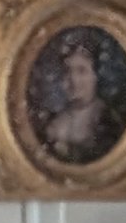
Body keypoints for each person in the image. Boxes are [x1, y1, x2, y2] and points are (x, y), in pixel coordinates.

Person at [31, 29, 120, 165]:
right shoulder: (50, 123)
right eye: (67, 71)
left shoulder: (107, 122)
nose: (74, 80)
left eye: (81, 71)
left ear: (95, 76)